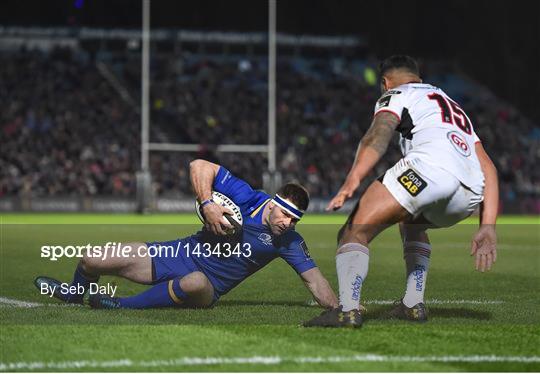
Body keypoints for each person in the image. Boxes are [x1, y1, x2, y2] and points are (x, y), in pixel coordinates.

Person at [304, 55, 498, 328]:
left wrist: (353, 179)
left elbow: (378, 134)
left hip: (429, 170)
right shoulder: (452, 106)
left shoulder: (397, 93)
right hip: (468, 195)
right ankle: (412, 303)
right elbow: (488, 167)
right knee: (411, 224)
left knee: (354, 231)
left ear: (385, 82)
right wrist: (488, 225)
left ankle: (346, 309)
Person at [35, 159, 338, 310]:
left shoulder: (289, 241)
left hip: (208, 287)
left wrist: (343, 307)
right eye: (285, 213)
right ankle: (74, 295)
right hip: (178, 254)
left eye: (295, 219)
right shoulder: (247, 197)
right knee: (92, 259)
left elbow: (315, 282)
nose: (288, 223)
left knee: (194, 281)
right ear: (273, 204)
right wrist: (207, 204)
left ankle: (121, 305)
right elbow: (199, 166)